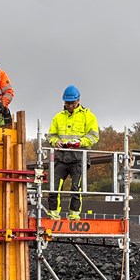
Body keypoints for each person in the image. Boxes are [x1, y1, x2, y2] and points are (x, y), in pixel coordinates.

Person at [45, 85, 99, 221]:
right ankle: (53, 214)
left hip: (78, 158)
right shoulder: (58, 117)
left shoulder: (88, 116)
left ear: (78, 101)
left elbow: (94, 136)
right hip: (61, 158)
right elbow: (50, 135)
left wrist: (79, 142)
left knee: (76, 187)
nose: (70, 106)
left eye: (72, 103)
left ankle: (74, 215)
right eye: (67, 103)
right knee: (54, 186)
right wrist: (55, 141)